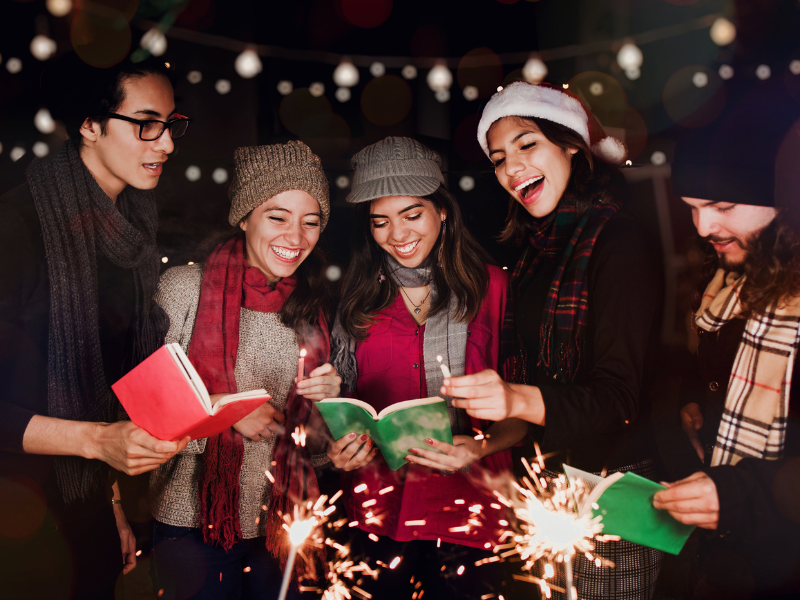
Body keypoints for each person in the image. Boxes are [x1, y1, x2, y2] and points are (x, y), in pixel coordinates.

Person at [444, 82, 665, 599]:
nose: (512, 167)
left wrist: (513, 397)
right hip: (545, 486)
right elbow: (544, 392)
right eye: (499, 158)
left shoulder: (620, 242)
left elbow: (619, 400)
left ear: (571, 145)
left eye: (527, 144)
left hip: (618, 492)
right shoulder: (532, 252)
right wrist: (487, 442)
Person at [0, 55, 191, 598]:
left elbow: (102, 387)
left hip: (83, 511)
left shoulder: (131, 232)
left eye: (172, 124)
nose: (167, 144)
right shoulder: (14, 229)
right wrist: (96, 441)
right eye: (146, 124)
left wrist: (108, 505)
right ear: (90, 124)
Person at [329, 136, 527, 600]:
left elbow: (527, 408)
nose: (397, 235)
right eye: (380, 222)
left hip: (472, 512)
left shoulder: (495, 289)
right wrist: (334, 448)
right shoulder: (354, 302)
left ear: (442, 211)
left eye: (412, 215)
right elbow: (335, 410)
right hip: (377, 511)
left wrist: (478, 447)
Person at [149, 141, 341, 600]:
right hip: (191, 523)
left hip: (281, 523)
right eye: (278, 217)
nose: (295, 238)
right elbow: (144, 414)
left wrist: (328, 405)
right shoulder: (184, 288)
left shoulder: (311, 306)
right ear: (244, 216)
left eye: (310, 222)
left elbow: (310, 447)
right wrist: (224, 413)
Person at [653, 84, 800, 599]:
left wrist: (741, 496)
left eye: (722, 204)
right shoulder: (733, 277)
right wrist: (698, 400)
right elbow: (715, 368)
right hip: (738, 561)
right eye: (691, 207)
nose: (703, 226)